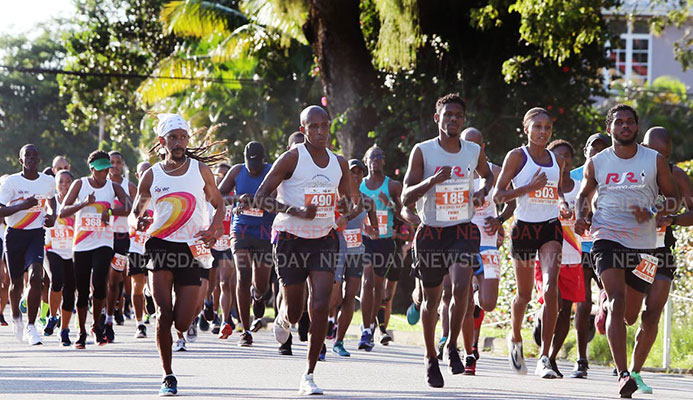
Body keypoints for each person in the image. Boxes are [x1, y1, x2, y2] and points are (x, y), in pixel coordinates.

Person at [574, 104, 678, 398]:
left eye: (630, 122)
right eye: (619, 122)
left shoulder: (654, 160)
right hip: (607, 236)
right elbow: (584, 195)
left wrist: (662, 211)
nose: (625, 126)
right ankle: (622, 375)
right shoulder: (598, 161)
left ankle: (605, 306)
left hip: (645, 244)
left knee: (630, 315)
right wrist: (582, 216)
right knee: (619, 303)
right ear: (610, 129)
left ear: (637, 127)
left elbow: (673, 198)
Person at [254, 105, 357, 395]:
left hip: (324, 239)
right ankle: (284, 318)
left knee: (322, 304)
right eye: (314, 127)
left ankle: (309, 374)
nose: (321, 131)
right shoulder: (291, 158)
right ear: (304, 130)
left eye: (325, 125)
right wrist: (295, 210)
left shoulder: (339, 163)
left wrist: (343, 214)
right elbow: (261, 197)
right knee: (297, 312)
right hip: (291, 240)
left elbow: (349, 200)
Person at [401, 93, 494, 388]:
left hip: (463, 229)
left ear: (463, 121)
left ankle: (452, 345)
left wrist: (481, 192)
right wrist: (432, 181)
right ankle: (430, 357)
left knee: (462, 287)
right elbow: (405, 196)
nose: (453, 119)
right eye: (447, 115)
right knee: (432, 299)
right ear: (437, 118)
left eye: (458, 116)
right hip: (431, 232)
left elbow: (488, 176)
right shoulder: (423, 151)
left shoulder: (472, 151)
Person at [130, 113, 225, 396]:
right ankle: (167, 375)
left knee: (183, 321)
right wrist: (139, 222)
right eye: (173, 137)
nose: (179, 142)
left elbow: (219, 204)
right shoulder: (152, 174)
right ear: (162, 141)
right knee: (164, 313)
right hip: (160, 244)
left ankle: (177, 321)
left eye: (183, 137)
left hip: (191, 247)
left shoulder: (200, 170)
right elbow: (136, 213)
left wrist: (215, 227)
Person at [627, 127, 692, 393]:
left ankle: (635, 372)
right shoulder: (628, 170)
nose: (657, 159)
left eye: (663, 155)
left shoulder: (677, 175)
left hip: (660, 252)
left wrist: (673, 219)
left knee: (652, 314)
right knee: (628, 317)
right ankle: (608, 308)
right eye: (652, 152)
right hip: (629, 249)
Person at [60, 150, 131, 348]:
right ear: (92, 169)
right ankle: (81, 332)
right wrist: (84, 204)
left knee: (100, 283)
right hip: (81, 243)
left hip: (103, 242)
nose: (105, 174)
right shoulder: (80, 184)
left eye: (107, 169)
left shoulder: (113, 186)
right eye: (100, 170)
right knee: (82, 290)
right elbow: (63, 212)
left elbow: (129, 206)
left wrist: (110, 211)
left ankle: (97, 325)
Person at [459, 127, 514, 374]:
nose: (470, 149)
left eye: (475, 145)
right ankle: (469, 351)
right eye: (465, 143)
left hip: (488, 243)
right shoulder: (454, 171)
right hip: (460, 243)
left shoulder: (496, 171)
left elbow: (511, 201)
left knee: (488, 302)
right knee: (464, 301)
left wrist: (500, 219)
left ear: (482, 147)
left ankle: (475, 312)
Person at [531, 139, 585, 378]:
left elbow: (589, 213)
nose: (560, 159)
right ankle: (541, 331)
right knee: (556, 299)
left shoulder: (581, 187)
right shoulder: (542, 185)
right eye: (555, 155)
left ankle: (552, 358)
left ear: (570, 161)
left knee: (566, 311)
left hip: (573, 256)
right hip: (546, 255)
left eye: (565, 155)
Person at [217, 141, 276, 347]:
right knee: (242, 276)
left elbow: (278, 201)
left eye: (257, 163)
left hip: (264, 231)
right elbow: (219, 195)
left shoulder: (272, 170)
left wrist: (259, 202)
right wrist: (236, 200)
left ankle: (258, 296)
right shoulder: (236, 171)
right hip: (240, 230)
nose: (253, 167)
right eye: (250, 163)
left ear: (263, 159)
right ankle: (245, 329)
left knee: (261, 284)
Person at [0, 144, 57, 345]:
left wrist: (53, 215)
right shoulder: (11, 183)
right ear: (21, 160)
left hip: (36, 234)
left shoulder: (48, 181)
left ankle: (32, 326)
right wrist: (24, 205)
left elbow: (52, 199)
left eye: (35, 155)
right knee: (15, 283)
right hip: (15, 235)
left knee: (35, 276)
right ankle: (16, 317)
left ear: (39, 160)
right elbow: (1, 210)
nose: (32, 158)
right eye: (28, 156)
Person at [569, 133, 610, 378]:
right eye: (592, 149)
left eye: (602, 149)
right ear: (585, 150)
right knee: (583, 304)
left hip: (608, 245)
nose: (596, 153)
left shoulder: (615, 177)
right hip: (579, 248)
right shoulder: (574, 177)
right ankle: (581, 359)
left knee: (616, 302)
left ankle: (619, 362)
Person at [358, 144, 403, 351]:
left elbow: (404, 214)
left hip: (385, 241)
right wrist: (364, 225)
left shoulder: (392, 186)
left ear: (384, 161)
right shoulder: (359, 186)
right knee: (366, 281)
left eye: (379, 156)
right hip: (365, 240)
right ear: (366, 161)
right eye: (371, 156)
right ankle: (366, 329)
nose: (375, 159)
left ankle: (371, 325)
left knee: (378, 286)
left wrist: (390, 204)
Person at [331, 159, 378, 356]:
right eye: (352, 172)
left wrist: (370, 230)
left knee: (350, 296)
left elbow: (375, 230)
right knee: (334, 297)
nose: (356, 176)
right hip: (335, 251)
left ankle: (339, 341)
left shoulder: (368, 201)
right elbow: (333, 221)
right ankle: (325, 333)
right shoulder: (338, 198)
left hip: (356, 252)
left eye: (360, 173)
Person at [103, 150, 138, 342]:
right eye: (111, 162)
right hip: (100, 237)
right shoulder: (100, 185)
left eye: (118, 162)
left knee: (115, 280)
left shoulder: (129, 187)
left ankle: (109, 317)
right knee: (101, 279)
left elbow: (132, 210)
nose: (114, 165)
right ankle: (101, 316)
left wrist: (110, 211)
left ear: (122, 165)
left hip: (121, 238)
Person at [43, 170, 76, 344]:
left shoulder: (77, 204)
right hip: (52, 249)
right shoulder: (51, 201)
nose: (64, 185)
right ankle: (52, 316)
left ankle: (64, 330)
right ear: (56, 185)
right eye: (61, 181)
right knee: (56, 280)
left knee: (70, 291)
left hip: (71, 252)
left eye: (68, 181)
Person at [128, 161, 152, 339]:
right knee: (137, 284)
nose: (146, 175)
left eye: (148, 172)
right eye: (142, 173)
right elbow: (130, 217)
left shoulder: (159, 194)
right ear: (137, 176)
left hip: (155, 247)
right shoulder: (134, 197)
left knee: (152, 286)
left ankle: (150, 297)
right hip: (136, 246)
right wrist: (136, 222)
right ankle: (140, 323)